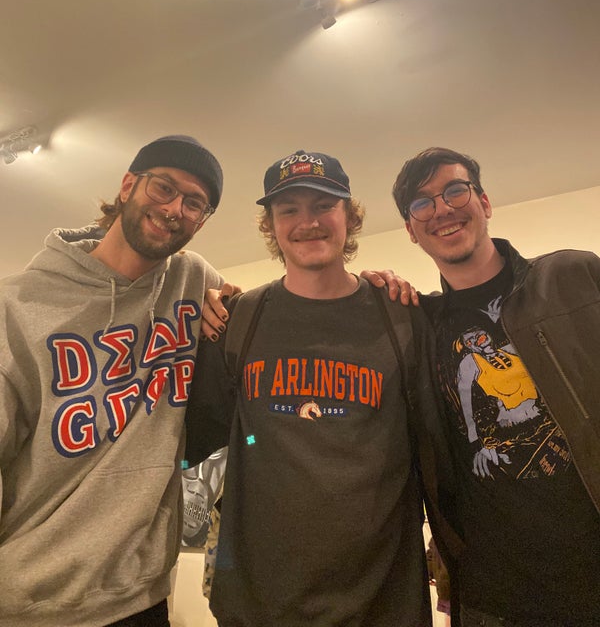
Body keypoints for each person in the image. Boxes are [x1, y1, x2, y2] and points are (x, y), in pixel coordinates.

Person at [186, 149, 434, 627]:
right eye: (289, 209)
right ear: (271, 225)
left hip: (383, 602)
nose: (309, 222)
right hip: (260, 605)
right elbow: (184, 437)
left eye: (324, 205)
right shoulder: (238, 320)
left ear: (349, 216)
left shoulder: (401, 316)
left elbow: (438, 443)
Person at [0, 135, 226, 627]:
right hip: (31, 602)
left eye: (194, 203)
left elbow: (263, 316)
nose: (175, 209)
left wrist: (370, 288)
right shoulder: (14, 306)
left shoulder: (193, 280)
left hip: (141, 596)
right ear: (128, 186)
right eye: (164, 187)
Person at [384, 146, 600, 627]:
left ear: (484, 202)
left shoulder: (575, 277)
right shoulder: (420, 326)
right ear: (411, 230)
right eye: (422, 202)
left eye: (454, 190)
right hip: (493, 598)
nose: (441, 209)